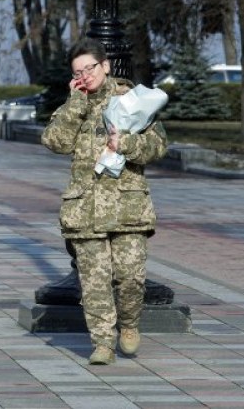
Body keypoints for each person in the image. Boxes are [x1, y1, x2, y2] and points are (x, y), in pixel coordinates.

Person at [41, 38, 167, 365]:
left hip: (128, 206)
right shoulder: (74, 104)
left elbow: (158, 147)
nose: (86, 75)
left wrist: (124, 142)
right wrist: (75, 104)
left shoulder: (133, 99)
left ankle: (129, 324)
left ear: (106, 65)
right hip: (85, 209)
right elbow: (54, 141)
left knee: (130, 277)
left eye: (90, 68)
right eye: (78, 71)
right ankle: (102, 343)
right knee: (94, 281)